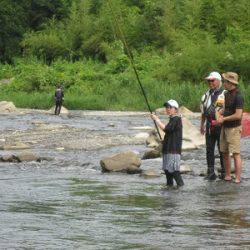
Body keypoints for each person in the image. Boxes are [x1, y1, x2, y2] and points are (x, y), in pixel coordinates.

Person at [217, 72, 244, 183]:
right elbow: (225, 109)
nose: (223, 83)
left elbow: (238, 115)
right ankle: (228, 175)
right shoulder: (226, 94)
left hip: (234, 128)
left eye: (225, 81)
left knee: (236, 153)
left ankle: (238, 178)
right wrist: (220, 113)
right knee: (224, 151)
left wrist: (224, 119)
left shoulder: (239, 96)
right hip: (225, 127)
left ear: (230, 82)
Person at [151, 99, 184, 187]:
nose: (167, 109)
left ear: (175, 109)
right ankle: (169, 190)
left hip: (173, 150)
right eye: (166, 107)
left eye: (170, 107)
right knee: (167, 171)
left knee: (174, 171)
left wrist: (157, 120)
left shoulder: (177, 119)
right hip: (168, 149)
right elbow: (170, 133)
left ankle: (181, 190)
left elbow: (167, 129)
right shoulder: (172, 119)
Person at [200, 72, 225, 180]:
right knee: (209, 149)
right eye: (209, 81)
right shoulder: (205, 95)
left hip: (221, 126)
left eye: (212, 80)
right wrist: (202, 125)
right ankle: (210, 172)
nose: (210, 82)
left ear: (219, 81)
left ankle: (224, 172)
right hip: (209, 125)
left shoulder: (225, 94)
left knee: (222, 149)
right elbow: (203, 112)